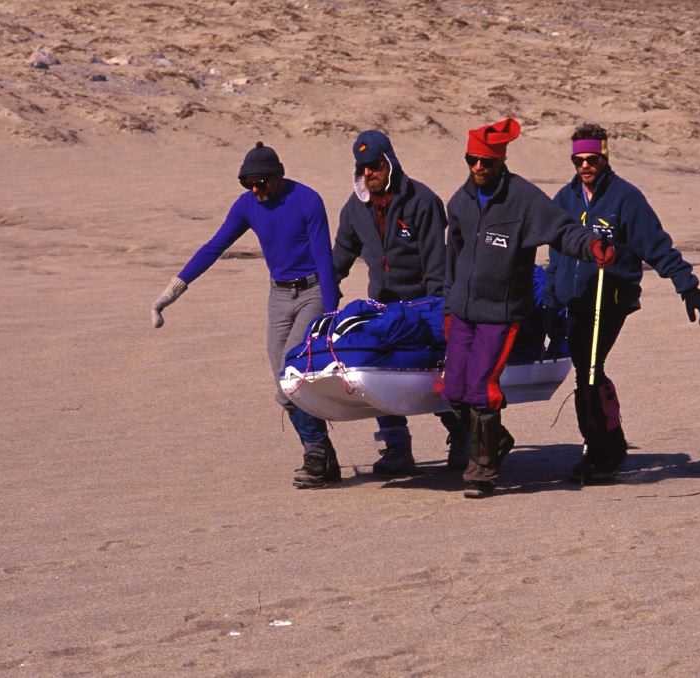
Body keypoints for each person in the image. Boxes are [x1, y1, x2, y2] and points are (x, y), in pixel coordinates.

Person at [151, 141, 343, 489]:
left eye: (261, 183)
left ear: (278, 177)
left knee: (294, 371)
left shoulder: (307, 200)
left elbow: (324, 258)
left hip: (312, 291)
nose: (256, 190)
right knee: (283, 384)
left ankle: (316, 457)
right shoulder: (247, 206)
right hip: (279, 295)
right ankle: (323, 457)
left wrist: (330, 311)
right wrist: (174, 289)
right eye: (248, 184)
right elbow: (214, 246)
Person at [443, 117, 615, 498]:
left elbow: (563, 230)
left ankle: (482, 470)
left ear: (501, 161)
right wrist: (447, 303)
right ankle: (496, 439)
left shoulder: (523, 199)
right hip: (462, 311)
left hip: (501, 314)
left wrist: (590, 246)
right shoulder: (461, 201)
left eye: (485, 162)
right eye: (471, 160)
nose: (477, 168)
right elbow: (451, 256)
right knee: (453, 389)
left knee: (481, 389)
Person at [543, 123, 700, 483]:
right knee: (585, 369)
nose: (585, 166)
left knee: (589, 368)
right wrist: (551, 302)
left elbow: (657, 246)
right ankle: (607, 444)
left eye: (592, 159)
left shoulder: (625, 198)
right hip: (574, 298)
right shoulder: (565, 199)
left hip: (611, 297)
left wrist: (688, 287)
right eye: (578, 160)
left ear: (604, 157)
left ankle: (604, 452)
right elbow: (555, 255)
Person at [332, 130, 470, 475]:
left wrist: (440, 310)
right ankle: (396, 448)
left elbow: (438, 261)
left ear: (389, 162)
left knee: (433, 375)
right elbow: (341, 256)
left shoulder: (422, 201)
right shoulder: (354, 209)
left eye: (375, 166)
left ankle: (463, 437)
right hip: (383, 307)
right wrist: (321, 288)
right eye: (363, 168)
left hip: (424, 304)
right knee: (376, 375)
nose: (369, 173)